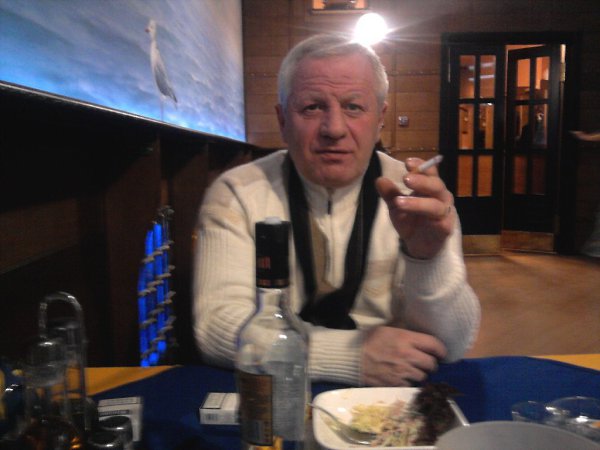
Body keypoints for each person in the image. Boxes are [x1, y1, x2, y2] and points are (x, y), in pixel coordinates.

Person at [192, 34, 480, 387]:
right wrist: (348, 357)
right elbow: (215, 328)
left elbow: (453, 344)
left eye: (354, 107)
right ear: (282, 120)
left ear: (380, 118)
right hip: (277, 388)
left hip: (390, 395)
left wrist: (427, 260)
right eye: (312, 107)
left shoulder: (417, 197)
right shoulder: (237, 193)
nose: (334, 129)